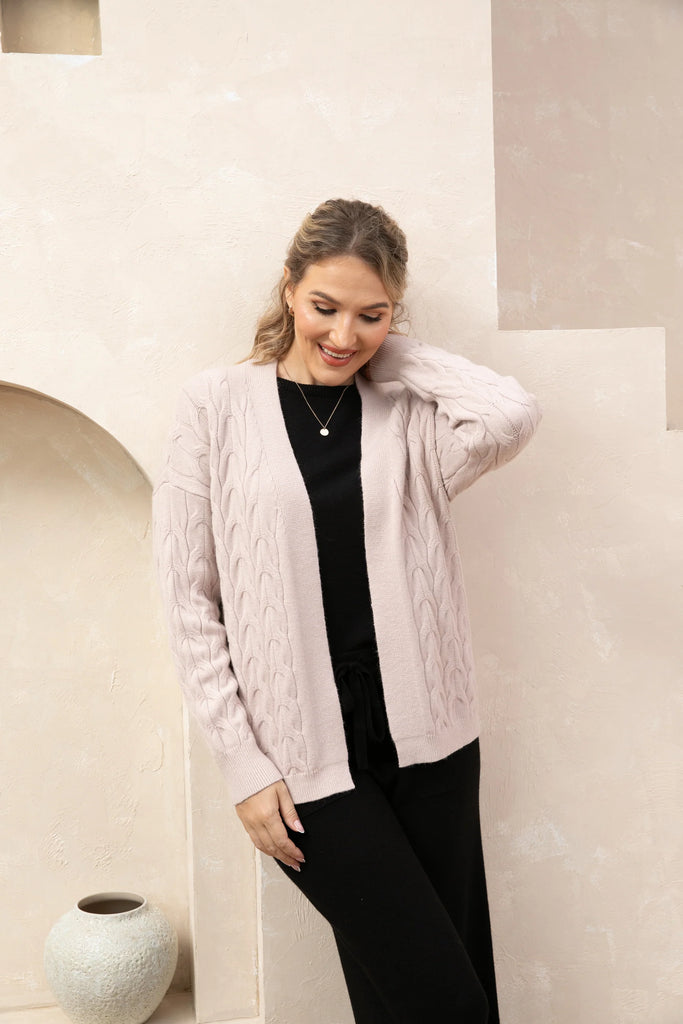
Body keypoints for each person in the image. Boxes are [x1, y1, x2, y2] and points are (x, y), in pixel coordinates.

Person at [153, 197, 541, 1024]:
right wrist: (243, 765)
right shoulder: (216, 407)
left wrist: (388, 351)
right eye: (324, 306)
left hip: (431, 742)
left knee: (417, 994)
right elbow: (188, 599)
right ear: (288, 288)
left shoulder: (406, 420)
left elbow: (508, 415)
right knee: (442, 1003)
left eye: (371, 314)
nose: (342, 334)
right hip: (300, 754)